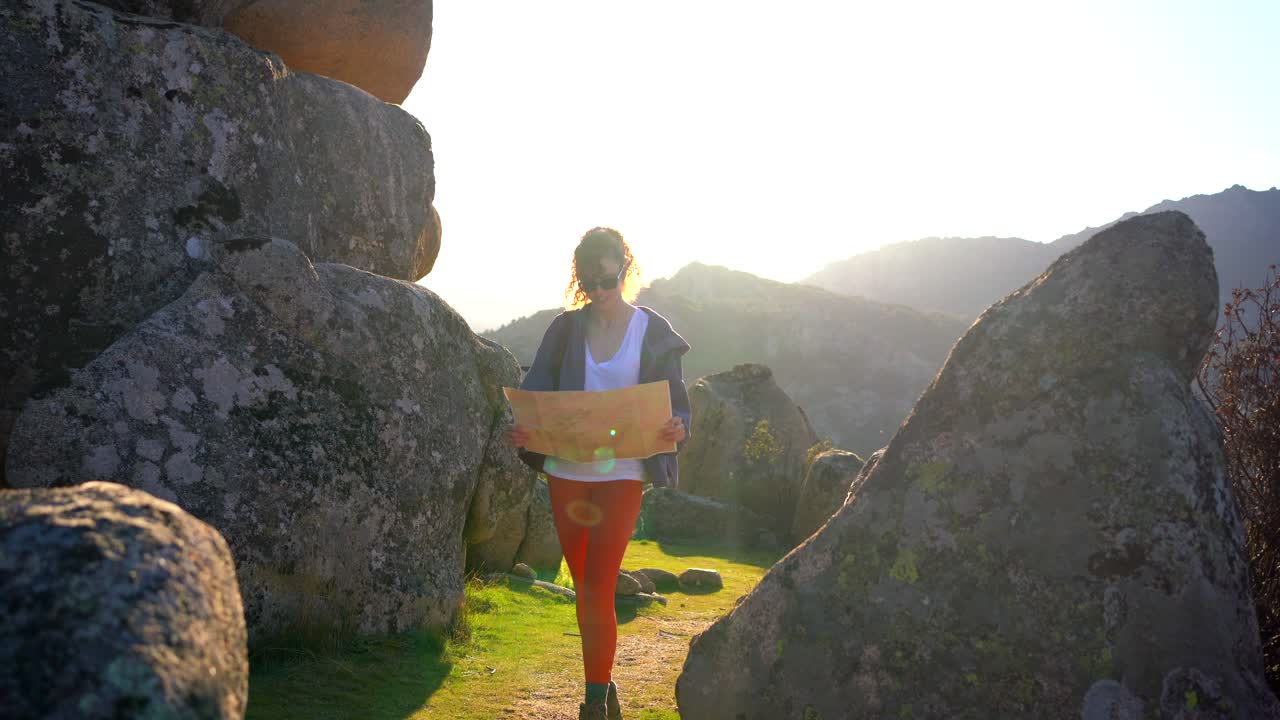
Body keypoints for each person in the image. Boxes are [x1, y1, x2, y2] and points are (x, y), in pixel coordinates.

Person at [506, 226, 691, 720]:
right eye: (592, 282)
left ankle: (591, 703)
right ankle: (603, 685)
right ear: (581, 281)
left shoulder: (651, 330)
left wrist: (678, 427)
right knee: (584, 580)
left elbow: (678, 405)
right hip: (568, 472)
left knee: (598, 582)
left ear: (625, 271)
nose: (602, 291)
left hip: (625, 473)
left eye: (610, 279)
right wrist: (526, 429)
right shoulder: (565, 330)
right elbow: (536, 393)